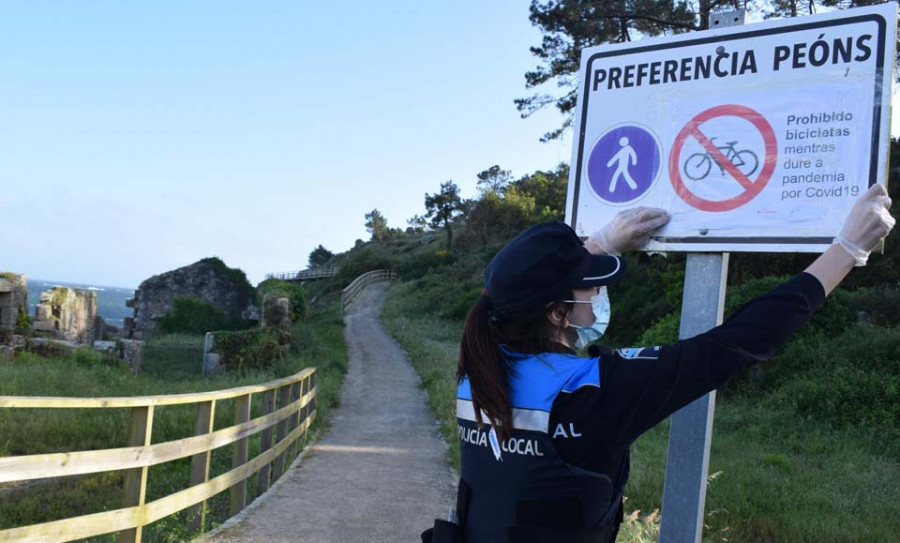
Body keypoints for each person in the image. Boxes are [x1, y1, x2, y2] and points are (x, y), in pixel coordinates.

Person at [422, 185, 895, 543]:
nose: (597, 294)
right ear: (556, 313)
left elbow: (522, 286)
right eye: (588, 287)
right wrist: (847, 251)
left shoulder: (480, 362)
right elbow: (734, 343)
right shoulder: (597, 392)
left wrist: (602, 242)